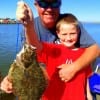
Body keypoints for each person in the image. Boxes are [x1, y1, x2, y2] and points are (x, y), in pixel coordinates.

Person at [0, 0, 99, 94]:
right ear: (36, 5)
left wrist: (74, 68)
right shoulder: (30, 29)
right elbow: (26, 60)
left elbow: (94, 49)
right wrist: (10, 78)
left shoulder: (69, 22)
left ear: (60, 4)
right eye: (43, 3)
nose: (49, 9)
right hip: (47, 85)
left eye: (54, 3)